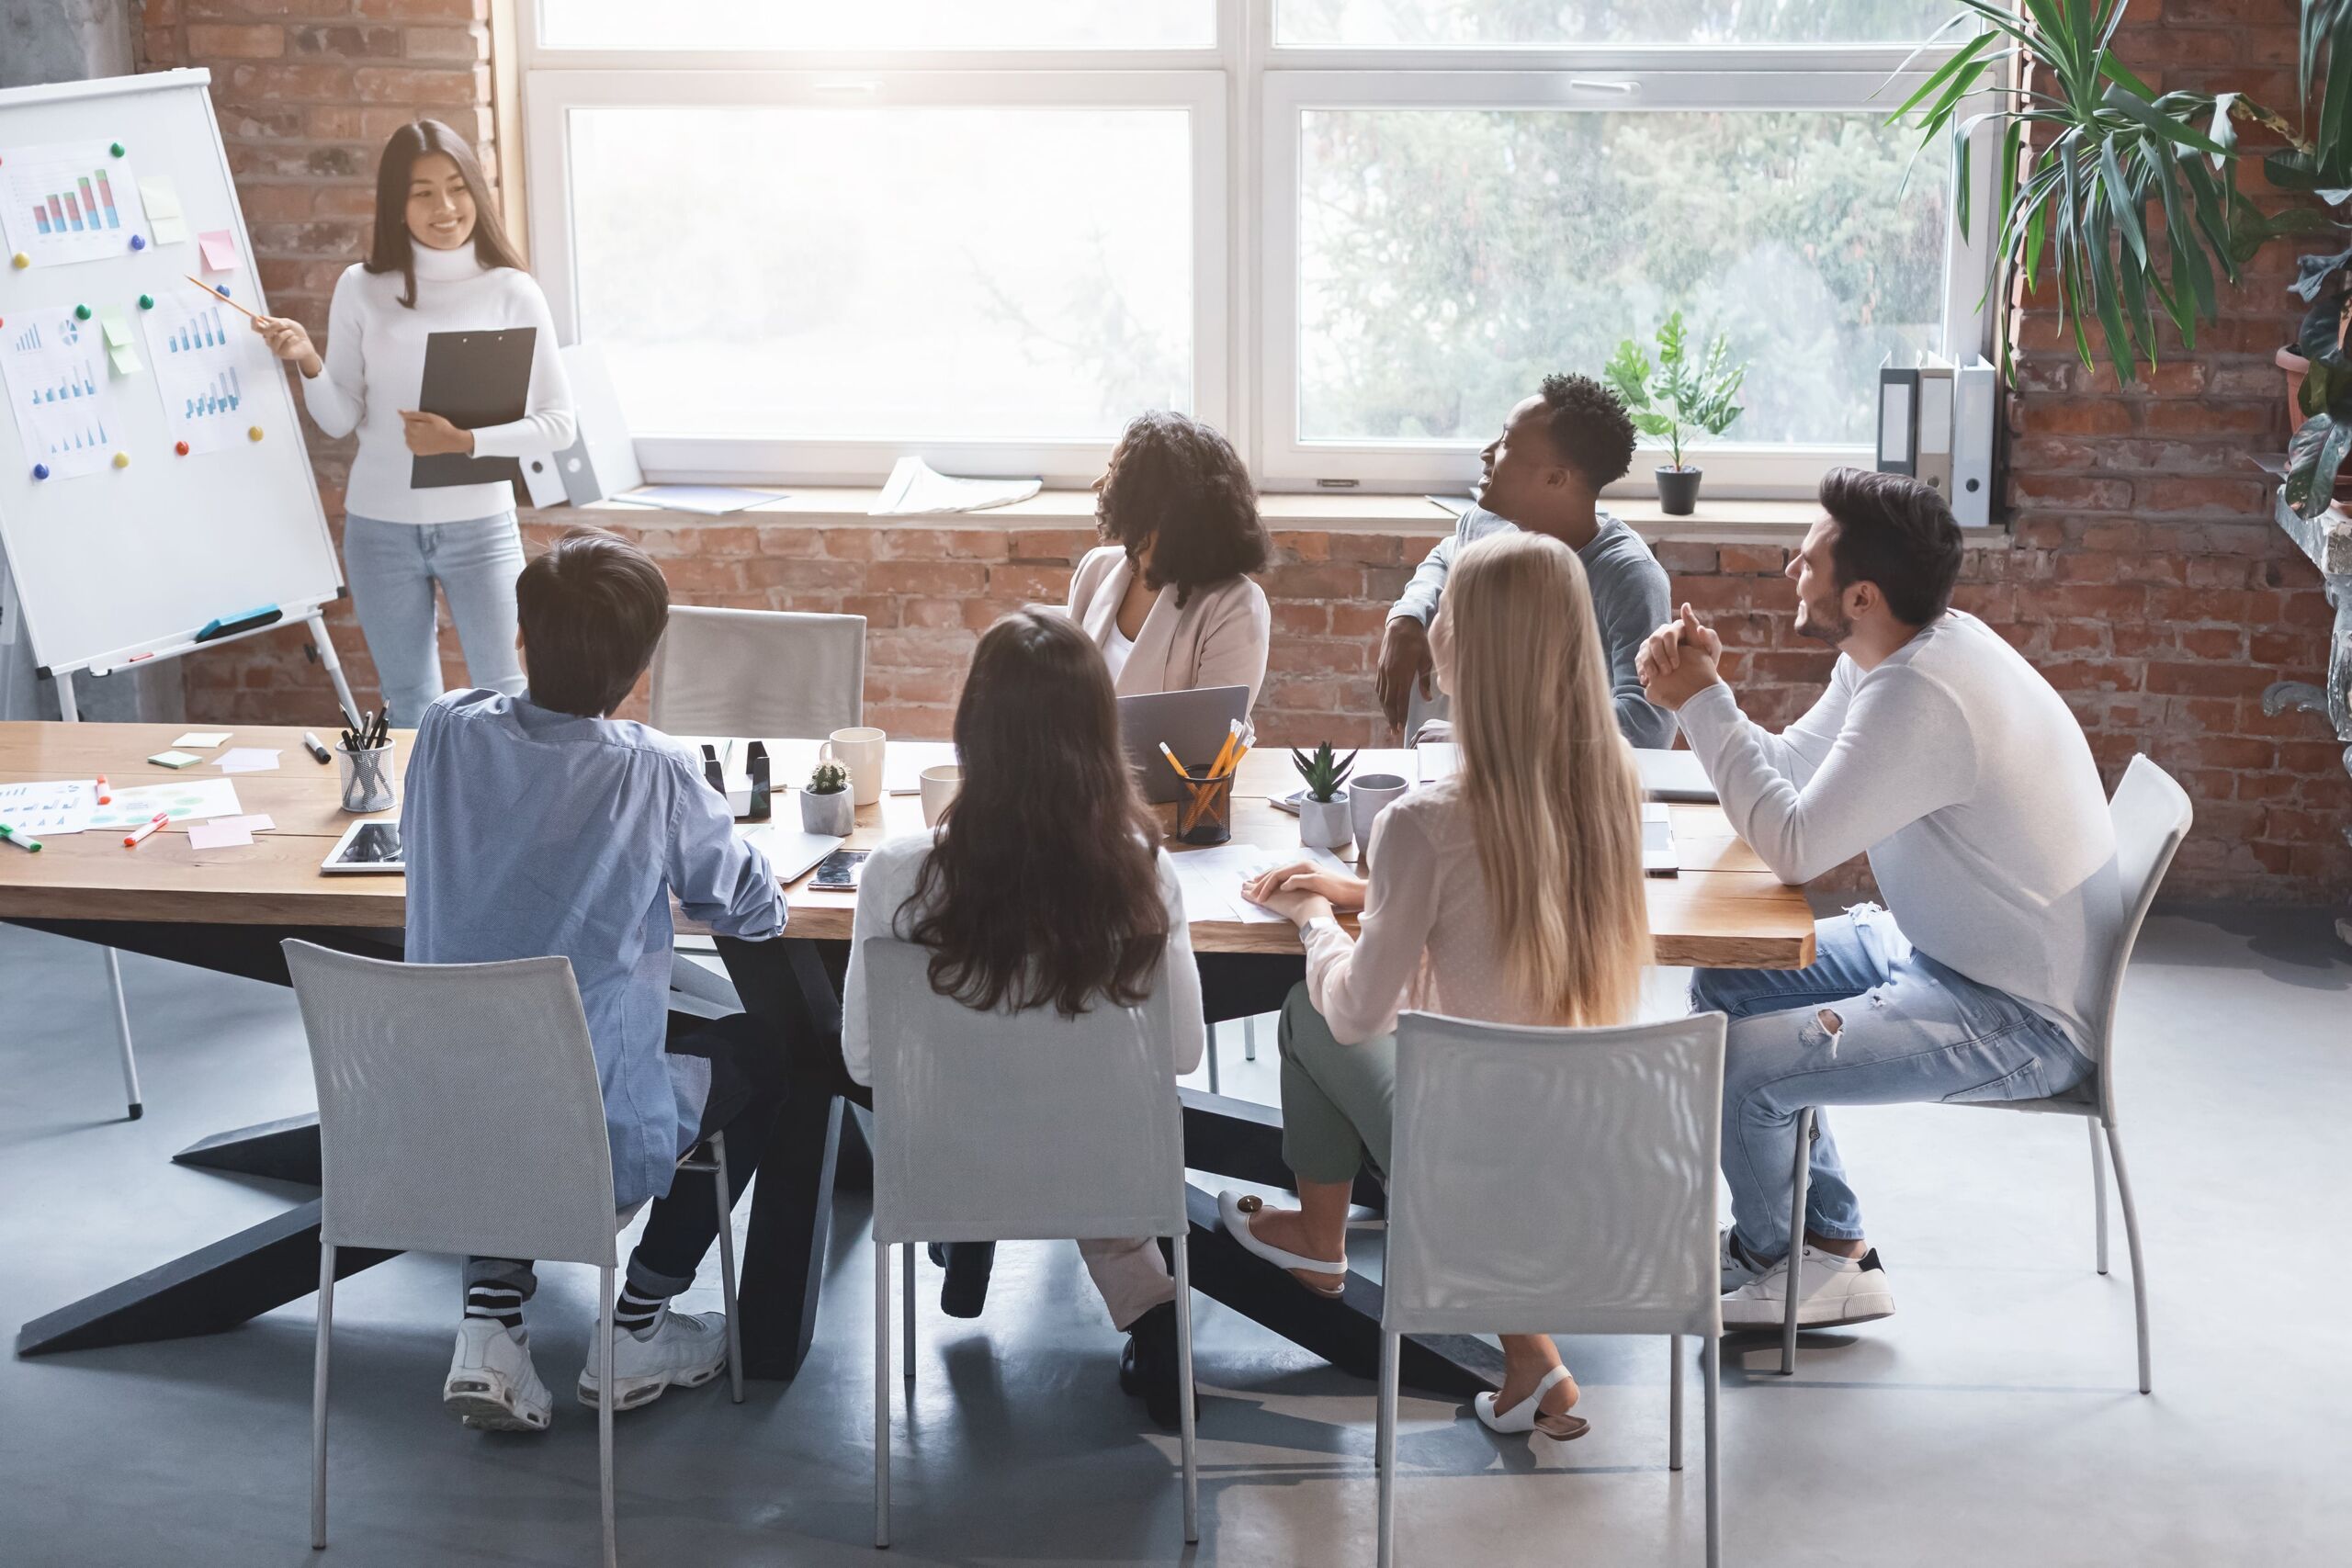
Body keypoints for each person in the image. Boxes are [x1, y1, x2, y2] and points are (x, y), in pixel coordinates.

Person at [1635, 468, 2117, 1332]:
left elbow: (1792, 846)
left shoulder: (1919, 693)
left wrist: (1702, 704)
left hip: (2016, 1013)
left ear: (1859, 594)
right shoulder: (1892, 654)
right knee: (1732, 980)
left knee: (1743, 1068)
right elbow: (1787, 775)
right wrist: (1712, 695)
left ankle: (1785, 1268)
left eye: (1808, 556)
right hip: (1942, 950)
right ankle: (1828, 1245)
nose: (1791, 566)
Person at [1219, 531, 1652, 1441]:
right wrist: (1371, 895)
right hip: (1595, 1145)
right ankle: (1526, 1358)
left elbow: (1356, 1010)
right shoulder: (1609, 788)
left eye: (1446, 611)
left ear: (1472, 650)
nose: (1434, 628)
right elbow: (1501, 902)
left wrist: (1313, 920)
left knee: (1310, 1009)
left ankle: (1319, 1240)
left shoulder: (1425, 821)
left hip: (1472, 1151)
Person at [403, 527, 786, 1431]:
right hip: (587, 1132)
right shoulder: (651, 769)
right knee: (765, 1054)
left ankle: (492, 1323)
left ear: (522, 637)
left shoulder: (445, 730)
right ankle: (638, 1323)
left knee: (498, 1045)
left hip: (437, 1117)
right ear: (642, 662)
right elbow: (751, 910)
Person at [840, 610, 1207, 1429]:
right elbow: (1180, 1052)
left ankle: (967, 1237)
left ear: (973, 730)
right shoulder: (1143, 873)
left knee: (992, 1098)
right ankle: (1149, 1302)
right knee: (1084, 1110)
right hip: (1100, 1166)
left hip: (948, 1165)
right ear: (1099, 736)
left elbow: (864, 1063)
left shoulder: (896, 875)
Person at [254, 118, 574, 728]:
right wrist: (309, 363)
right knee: (409, 704)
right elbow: (339, 419)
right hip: (380, 532)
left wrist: (464, 441)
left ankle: (503, 822)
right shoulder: (363, 287)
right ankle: (423, 825)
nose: (445, 207)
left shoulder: (512, 290)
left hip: (481, 526)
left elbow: (558, 423)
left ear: (475, 192)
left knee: (506, 695)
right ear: (396, 205)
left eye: (456, 187)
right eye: (422, 192)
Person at [1377, 373, 1674, 748]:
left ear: (1555, 479)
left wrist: (1488, 740)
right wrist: (1407, 616)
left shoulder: (1628, 577)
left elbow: (1647, 726)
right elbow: (1446, 556)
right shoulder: (1485, 524)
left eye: (1506, 444)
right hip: (1475, 775)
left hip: (1563, 790)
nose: (1486, 453)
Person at [1066, 410, 1273, 707]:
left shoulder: (1235, 605)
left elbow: (1208, 734)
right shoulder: (1095, 570)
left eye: (1113, 472)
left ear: (1154, 501)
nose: (1098, 484)